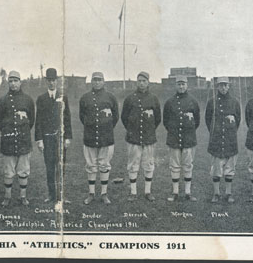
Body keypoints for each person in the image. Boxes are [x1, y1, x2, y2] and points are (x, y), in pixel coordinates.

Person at [78, 72, 119, 205]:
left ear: (104, 81)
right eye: (94, 80)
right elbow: (82, 117)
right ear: (91, 81)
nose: (96, 82)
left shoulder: (110, 97)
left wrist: (105, 127)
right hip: (89, 136)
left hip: (106, 136)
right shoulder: (85, 98)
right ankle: (91, 194)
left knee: (104, 164)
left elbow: (115, 117)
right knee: (90, 165)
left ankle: (104, 193)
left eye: (99, 80)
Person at [120, 71, 162, 201]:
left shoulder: (154, 98)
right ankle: (133, 192)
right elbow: (124, 117)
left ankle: (148, 191)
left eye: (144, 81)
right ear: (136, 82)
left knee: (149, 163)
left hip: (149, 137)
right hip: (133, 137)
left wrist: (149, 130)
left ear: (148, 82)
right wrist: (133, 130)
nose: (142, 83)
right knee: (133, 163)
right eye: (139, 81)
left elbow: (158, 118)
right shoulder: (129, 98)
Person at [0, 70, 36, 206]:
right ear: (8, 83)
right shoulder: (3, 100)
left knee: (23, 170)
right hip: (8, 141)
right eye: (11, 81)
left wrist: (22, 132)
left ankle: (22, 196)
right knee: (8, 170)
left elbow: (31, 121)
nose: (13, 84)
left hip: (24, 140)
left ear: (20, 82)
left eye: (15, 81)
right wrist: (8, 132)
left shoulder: (28, 99)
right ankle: (7, 196)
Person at [35, 68, 73, 204]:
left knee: (61, 167)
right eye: (49, 80)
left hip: (60, 139)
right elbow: (38, 120)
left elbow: (67, 118)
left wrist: (68, 137)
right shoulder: (41, 99)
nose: (51, 83)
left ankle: (61, 196)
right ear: (46, 82)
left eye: (53, 80)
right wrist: (39, 140)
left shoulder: (63, 97)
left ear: (57, 81)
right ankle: (51, 195)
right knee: (49, 167)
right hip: (47, 139)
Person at [163, 76, 201, 202]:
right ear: (175, 85)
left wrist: (188, 131)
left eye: (183, 84)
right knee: (174, 165)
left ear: (187, 85)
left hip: (188, 137)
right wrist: (174, 131)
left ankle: (188, 192)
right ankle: (175, 192)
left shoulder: (193, 101)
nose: (181, 86)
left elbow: (197, 121)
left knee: (188, 165)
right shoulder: (169, 102)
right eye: (179, 84)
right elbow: (165, 121)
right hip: (174, 138)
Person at [205, 76, 241, 203]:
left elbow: (238, 120)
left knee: (229, 168)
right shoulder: (211, 102)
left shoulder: (235, 102)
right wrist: (215, 133)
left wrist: (230, 131)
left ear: (229, 86)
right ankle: (216, 193)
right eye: (221, 85)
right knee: (217, 168)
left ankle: (228, 193)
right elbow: (207, 120)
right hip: (216, 139)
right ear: (217, 87)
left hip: (230, 139)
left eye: (226, 85)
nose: (223, 88)